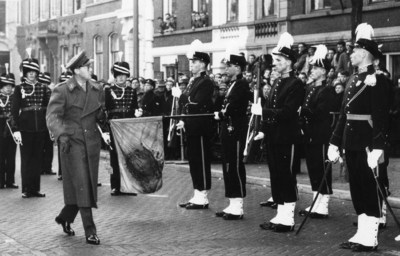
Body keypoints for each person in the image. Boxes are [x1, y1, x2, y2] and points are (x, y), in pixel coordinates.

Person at [328, 23, 389, 252]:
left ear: (364, 53)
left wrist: (378, 147)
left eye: (354, 51)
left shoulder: (378, 80)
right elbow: (344, 115)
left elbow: (381, 117)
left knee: (368, 188)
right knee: (356, 188)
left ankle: (370, 237)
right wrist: (335, 142)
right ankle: (361, 232)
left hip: (366, 144)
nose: (350, 54)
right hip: (351, 143)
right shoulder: (353, 79)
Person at [47, 50, 107, 245]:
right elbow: (53, 116)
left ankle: (65, 217)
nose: (90, 69)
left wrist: (102, 118)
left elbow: (100, 113)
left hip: (91, 143)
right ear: (76, 70)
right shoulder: (62, 90)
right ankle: (90, 230)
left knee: (84, 184)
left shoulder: (98, 89)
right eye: (87, 67)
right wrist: (61, 135)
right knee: (83, 184)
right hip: (71, 143)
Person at [251, 32, 305, 232]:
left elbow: (288, 112)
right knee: (275, 175)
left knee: (286, 176)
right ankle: (280, 215)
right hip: (273, 136)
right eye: (274, 60)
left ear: (290, 62)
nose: (275, 64)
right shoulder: (276, 82)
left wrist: (262, 111)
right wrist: (264, 130)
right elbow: (272, 110)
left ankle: (288, 218)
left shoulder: (295, 84)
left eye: (279, 60)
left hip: (287, 137)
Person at [173, 41, 214, 209]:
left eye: (194, 62)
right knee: (194, 161)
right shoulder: (192, 81)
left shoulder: (205, 82)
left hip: (201, 127)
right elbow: (188, 108)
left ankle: (203, 195)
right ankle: (197, 193)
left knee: (201, 161)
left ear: (203, 64)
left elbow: (196, 104)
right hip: (191, 126)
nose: (191, 65)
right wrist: (184, 120)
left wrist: (181, 96)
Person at [298, 45, 334, 219]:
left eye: (317, 68)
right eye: (312, 68)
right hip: (310, 134)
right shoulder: (310, 88)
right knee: (313, 168)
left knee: (321, 169)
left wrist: (302, 111)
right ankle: (315, 202)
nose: (312, 71)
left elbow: (320, 114)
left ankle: (324, 205)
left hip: (320, 136)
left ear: (324, 71)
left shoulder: (326, 90)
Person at [11, 48, 51, 198]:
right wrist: (16, 129)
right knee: (26, 159)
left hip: (40, 128)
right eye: (29, 71)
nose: (32, 74)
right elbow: (14, 111)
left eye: (34, 71)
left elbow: (49, 110)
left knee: (37, 159)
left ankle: (36, 189)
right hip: (25, 129)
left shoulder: (44, 88)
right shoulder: (19, 88)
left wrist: (50, 127)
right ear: (25, 72)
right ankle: (27, 189)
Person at [214, 53, 249, 220]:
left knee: (234, 166)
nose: (226, 69)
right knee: (228, 166)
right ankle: (232, 202)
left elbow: (233, 107)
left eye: (229, 66)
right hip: (228, 130)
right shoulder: (233, 84)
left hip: (235, 130)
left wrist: (221, 114)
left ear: (238, 68)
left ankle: (238, 205)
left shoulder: (241, 85)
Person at [105, 57, 138, 196]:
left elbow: (135, 108)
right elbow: (105, 111)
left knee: (129, 157)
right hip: (114, 128)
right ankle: (115, 186)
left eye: (123, 76)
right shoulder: (108, 91)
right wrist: (106, 131)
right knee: (114, 158)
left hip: (128, 128)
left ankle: (127, 186)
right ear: (115, 77)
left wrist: (138, 112)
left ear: (127, 76)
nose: (120, 78)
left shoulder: (132, 91)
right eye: (118, 76)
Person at [0, 69, 18, 189]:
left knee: (11, 157)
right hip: (1, 132)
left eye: (10, 86)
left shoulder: (15, 99)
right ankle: (1, 181)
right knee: (1, 158)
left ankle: (10, 181)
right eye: (5, 86)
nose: (8, 88)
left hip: (12, 132)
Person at [38, 71, 56, 175]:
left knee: (49, 147)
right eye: (42, 82)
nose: (44, 85)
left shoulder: (50, 92)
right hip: (40, 121)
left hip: (48, 122)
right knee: (40, 146)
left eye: (46, 83)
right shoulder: (38, 91)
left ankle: (47, 167)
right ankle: (41, 167)